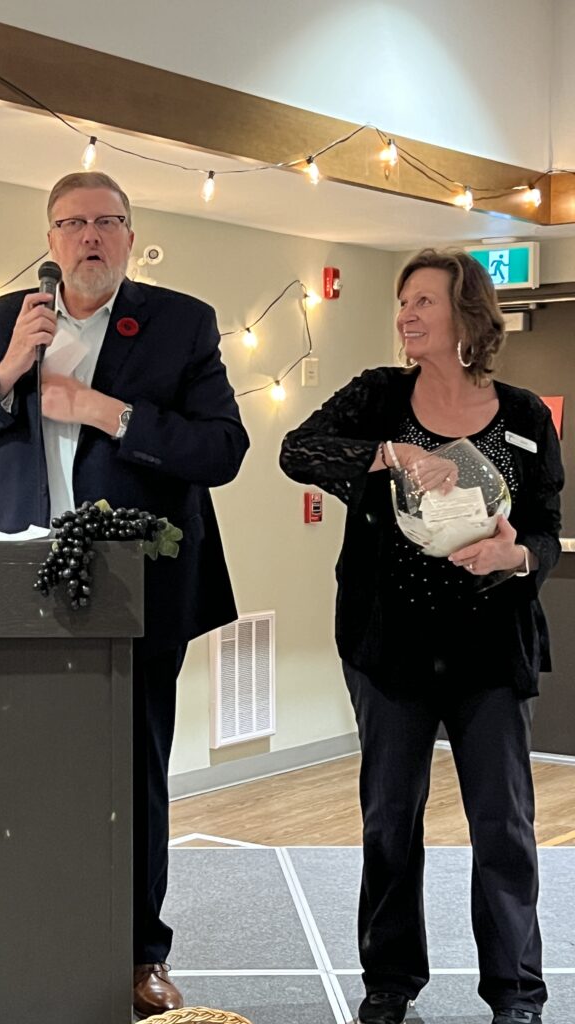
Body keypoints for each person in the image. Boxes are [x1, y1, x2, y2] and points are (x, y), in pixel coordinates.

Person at [0, 170, 249, 1016]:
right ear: (51, 238)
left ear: (131, 236)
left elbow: (222, 450)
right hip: (19, 586)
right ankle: (31, 930)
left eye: (107, 221)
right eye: (73, 223)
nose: (90, 237)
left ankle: (142, 955)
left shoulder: (182, 322)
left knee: (133, 775)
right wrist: (7, 371)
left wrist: (109, 411)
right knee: (25, 771)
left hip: (139, 588)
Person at [279, 248, 563, 1024]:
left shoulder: (525, 416)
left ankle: (516, 993)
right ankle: (389, 983)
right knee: (389, 823)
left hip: (490, 651)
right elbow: (296, 451)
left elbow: (545, 529)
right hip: (390, 649)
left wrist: (516, 557)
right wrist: (391, 453)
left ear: (468, 314)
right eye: (402, 302)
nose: (406, 314)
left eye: (424, 301)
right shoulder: (378, 397)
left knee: (503, 826)